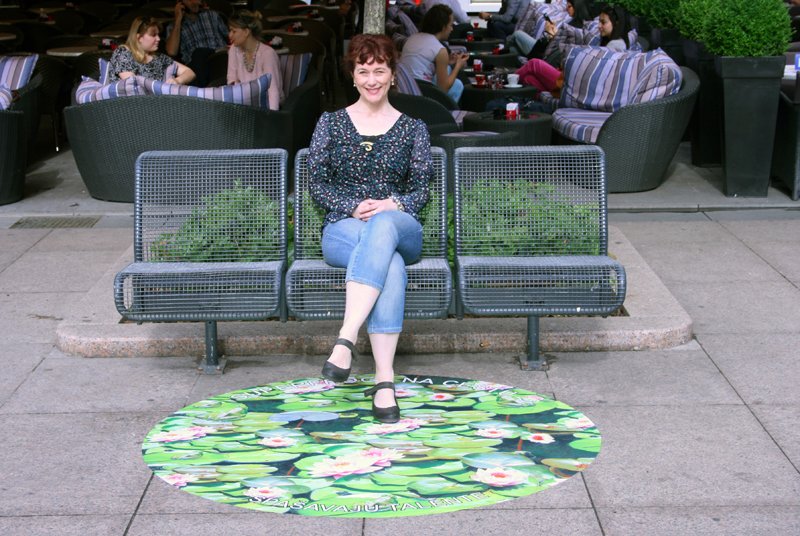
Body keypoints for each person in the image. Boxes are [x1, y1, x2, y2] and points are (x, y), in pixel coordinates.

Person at [308, 34, 432, 423]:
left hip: (400, 226)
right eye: (363, 71)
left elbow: (421, 188)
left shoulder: (413, 128)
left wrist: (394, 204)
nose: (372, 79)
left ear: (393, 75)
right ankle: (384, 381)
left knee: (384, 226)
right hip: (344, 229)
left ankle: (345, 339)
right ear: (353, 76)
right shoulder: (330, 123)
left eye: (380, 70)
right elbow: (317, 183)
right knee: (389, 265)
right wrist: (350, 205)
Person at [516, 5, 631, 95]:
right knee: (529, 80)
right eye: (599, 21)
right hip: (578, 82)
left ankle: (506, 83)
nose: (599, 26)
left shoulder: (616, 46)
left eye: (603, 22)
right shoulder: (609, 42)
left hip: (579, 85)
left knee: (534, 63)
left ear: (616, 22)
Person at [400, 4, 469, 104]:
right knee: (458, 85)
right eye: (451, 25)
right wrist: (458, 66)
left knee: (448, 68)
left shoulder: (413, 38)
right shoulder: (439, 49)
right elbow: (444, 87)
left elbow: (422, 60)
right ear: (443, 27)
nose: (452, 29)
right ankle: (446, 111)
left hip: (405, 89)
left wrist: (446, 60)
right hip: (423, 94)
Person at [108, 17, 195, 84]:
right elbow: (132, 82)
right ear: (139, 37)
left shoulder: (159, 58)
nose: (158, 39)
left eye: (158, 35)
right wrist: (159, 87)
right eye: (153, 35)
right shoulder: (123, 53)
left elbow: (190, 73)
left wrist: (177, 81)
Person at [227, 10, 284, 109]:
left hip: (266, 104)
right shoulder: (234, 49)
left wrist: (271, 115)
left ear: (246, 32)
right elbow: (231, 80)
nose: (230, 35)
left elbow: (272, 91)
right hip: (244, 104)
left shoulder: (267, 53)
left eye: (233, 31)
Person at [165, 0, 229, 87]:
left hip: (218, 58)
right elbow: (171, 52)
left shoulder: (212, 15)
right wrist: (178, 20)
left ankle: (201, 92)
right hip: (195, 65)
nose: (195, 2)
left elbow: (230, 36)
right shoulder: (173, 26)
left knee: (200, 53)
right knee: (199, 53)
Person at [506, 0, 592, 57]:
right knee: (512, 50)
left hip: (544, 53)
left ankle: (502, 50)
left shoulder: (572, 27)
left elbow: (557, 47)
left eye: (569, 6)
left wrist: (550, 32)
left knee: (517, 34)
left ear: (576, 7)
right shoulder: (581, 24)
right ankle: (503, 54)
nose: (566, 9)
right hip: (545, 50)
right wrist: (554, 30)